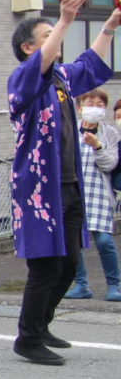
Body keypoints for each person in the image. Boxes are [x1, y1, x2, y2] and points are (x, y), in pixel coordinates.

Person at [7, 0, 121, 365]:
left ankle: (40, 325)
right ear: (28, 48)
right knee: (46, 266)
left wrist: (109, 27)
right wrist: (65, 20)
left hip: (68, 185)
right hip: (39, 191)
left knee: (70, 264)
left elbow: (89, 63)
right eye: (47, 35)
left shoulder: (61, 78)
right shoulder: (23, 79)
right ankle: (27, 338)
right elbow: (40, 66)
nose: (56, 38)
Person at [63, 89, 121, 301]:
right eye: (90, 104)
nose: (94, 108)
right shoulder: (69, 130)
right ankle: (81, 284)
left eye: (99, 105)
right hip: (73, 193)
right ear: (79, 108)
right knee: (74, 243)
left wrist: (98, 146)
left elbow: (110, 164)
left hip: (98, 192)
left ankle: (114, 285)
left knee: (104, 241)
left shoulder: (110, 133)